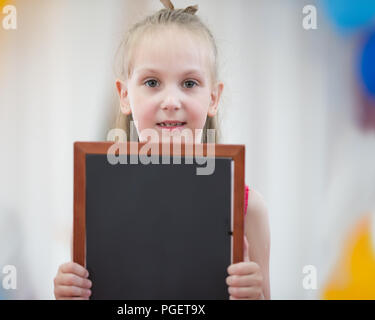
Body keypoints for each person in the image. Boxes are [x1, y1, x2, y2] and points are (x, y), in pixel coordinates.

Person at [54, 0, 270, 300]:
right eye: (152, 82)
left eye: (189, 83)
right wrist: (70, 293)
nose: (171, 101)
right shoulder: (96, 203)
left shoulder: (248, 208)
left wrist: (253, 295)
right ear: (125, 95)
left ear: (213, 98)